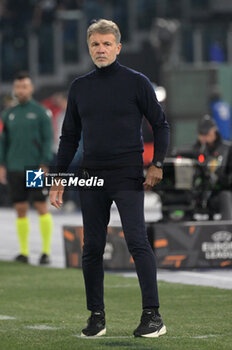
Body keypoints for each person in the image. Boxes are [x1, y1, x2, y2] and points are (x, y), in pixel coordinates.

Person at [50, 19, 170, 338]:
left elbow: (161, 124)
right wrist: (59, 177)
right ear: (89, 48)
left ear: (118, 47)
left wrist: (157, 163)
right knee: (91, 248)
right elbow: (69, 137)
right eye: (95, 44)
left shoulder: (137, 82)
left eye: (106, 44)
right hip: (91, 177)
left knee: (136, 240)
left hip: (127, 174)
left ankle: (153, 316)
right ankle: (96, 317)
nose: (100, 49)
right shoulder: (79, 87)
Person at [0, 71, 53, 264]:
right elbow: (3, 142)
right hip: (14, 167)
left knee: (40, 206)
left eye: (24, 86)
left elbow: (48, 139)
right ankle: (23, 252)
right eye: (17, 87)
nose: (20, 90)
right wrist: (1, 165)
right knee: (20, 208)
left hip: (35, 168)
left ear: (31, 88)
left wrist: (44, 162)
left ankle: (45, 252)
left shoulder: (41, 112)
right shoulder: (8, 114)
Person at [193, 114, 232, 219]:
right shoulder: (197, 151)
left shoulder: (227, 149)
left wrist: (222, 180)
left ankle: (227, 229)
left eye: (207, 133)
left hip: (220, 192)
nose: (205, 137)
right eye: (201, 134)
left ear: (214, 130)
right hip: (201, 193)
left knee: (225, 196)